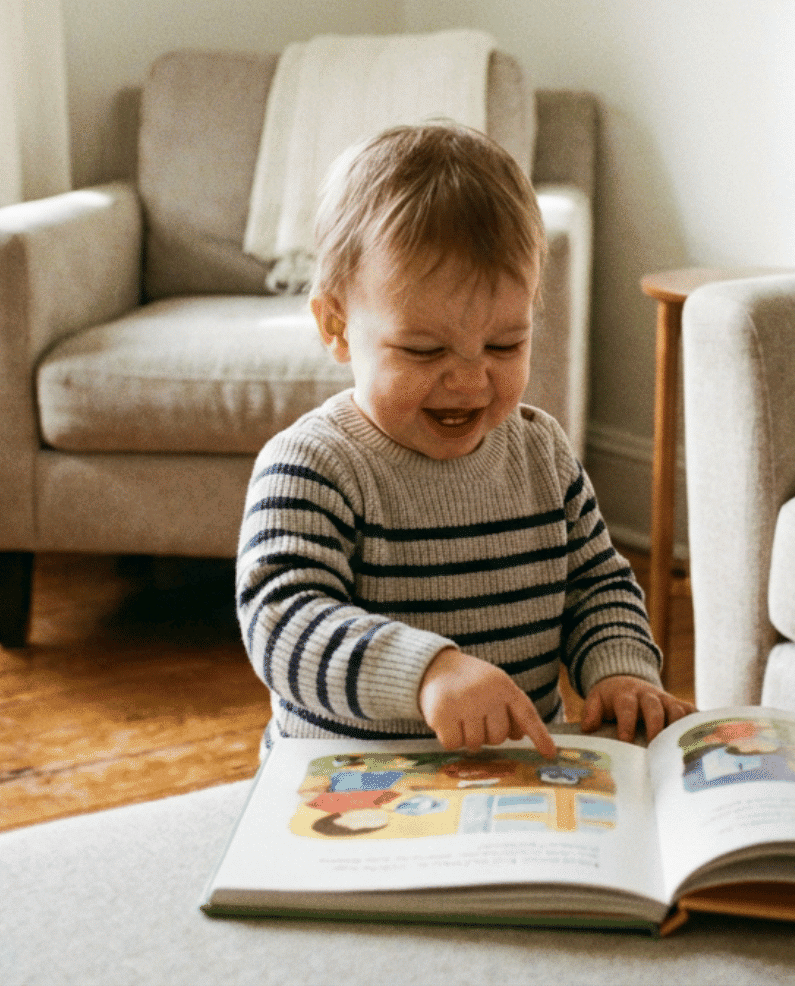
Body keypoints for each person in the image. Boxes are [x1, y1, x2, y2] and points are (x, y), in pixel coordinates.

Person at [236, 122, 692, 761]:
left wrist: (619, 671)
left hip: (509, 782)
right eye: (424, 349)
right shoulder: (312, 465)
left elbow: (596, 585)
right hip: (351, 791)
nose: (471, 380)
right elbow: (282, 623)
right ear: (335, 326)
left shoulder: (542, 452)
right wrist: (427, 672)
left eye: (506, 344)